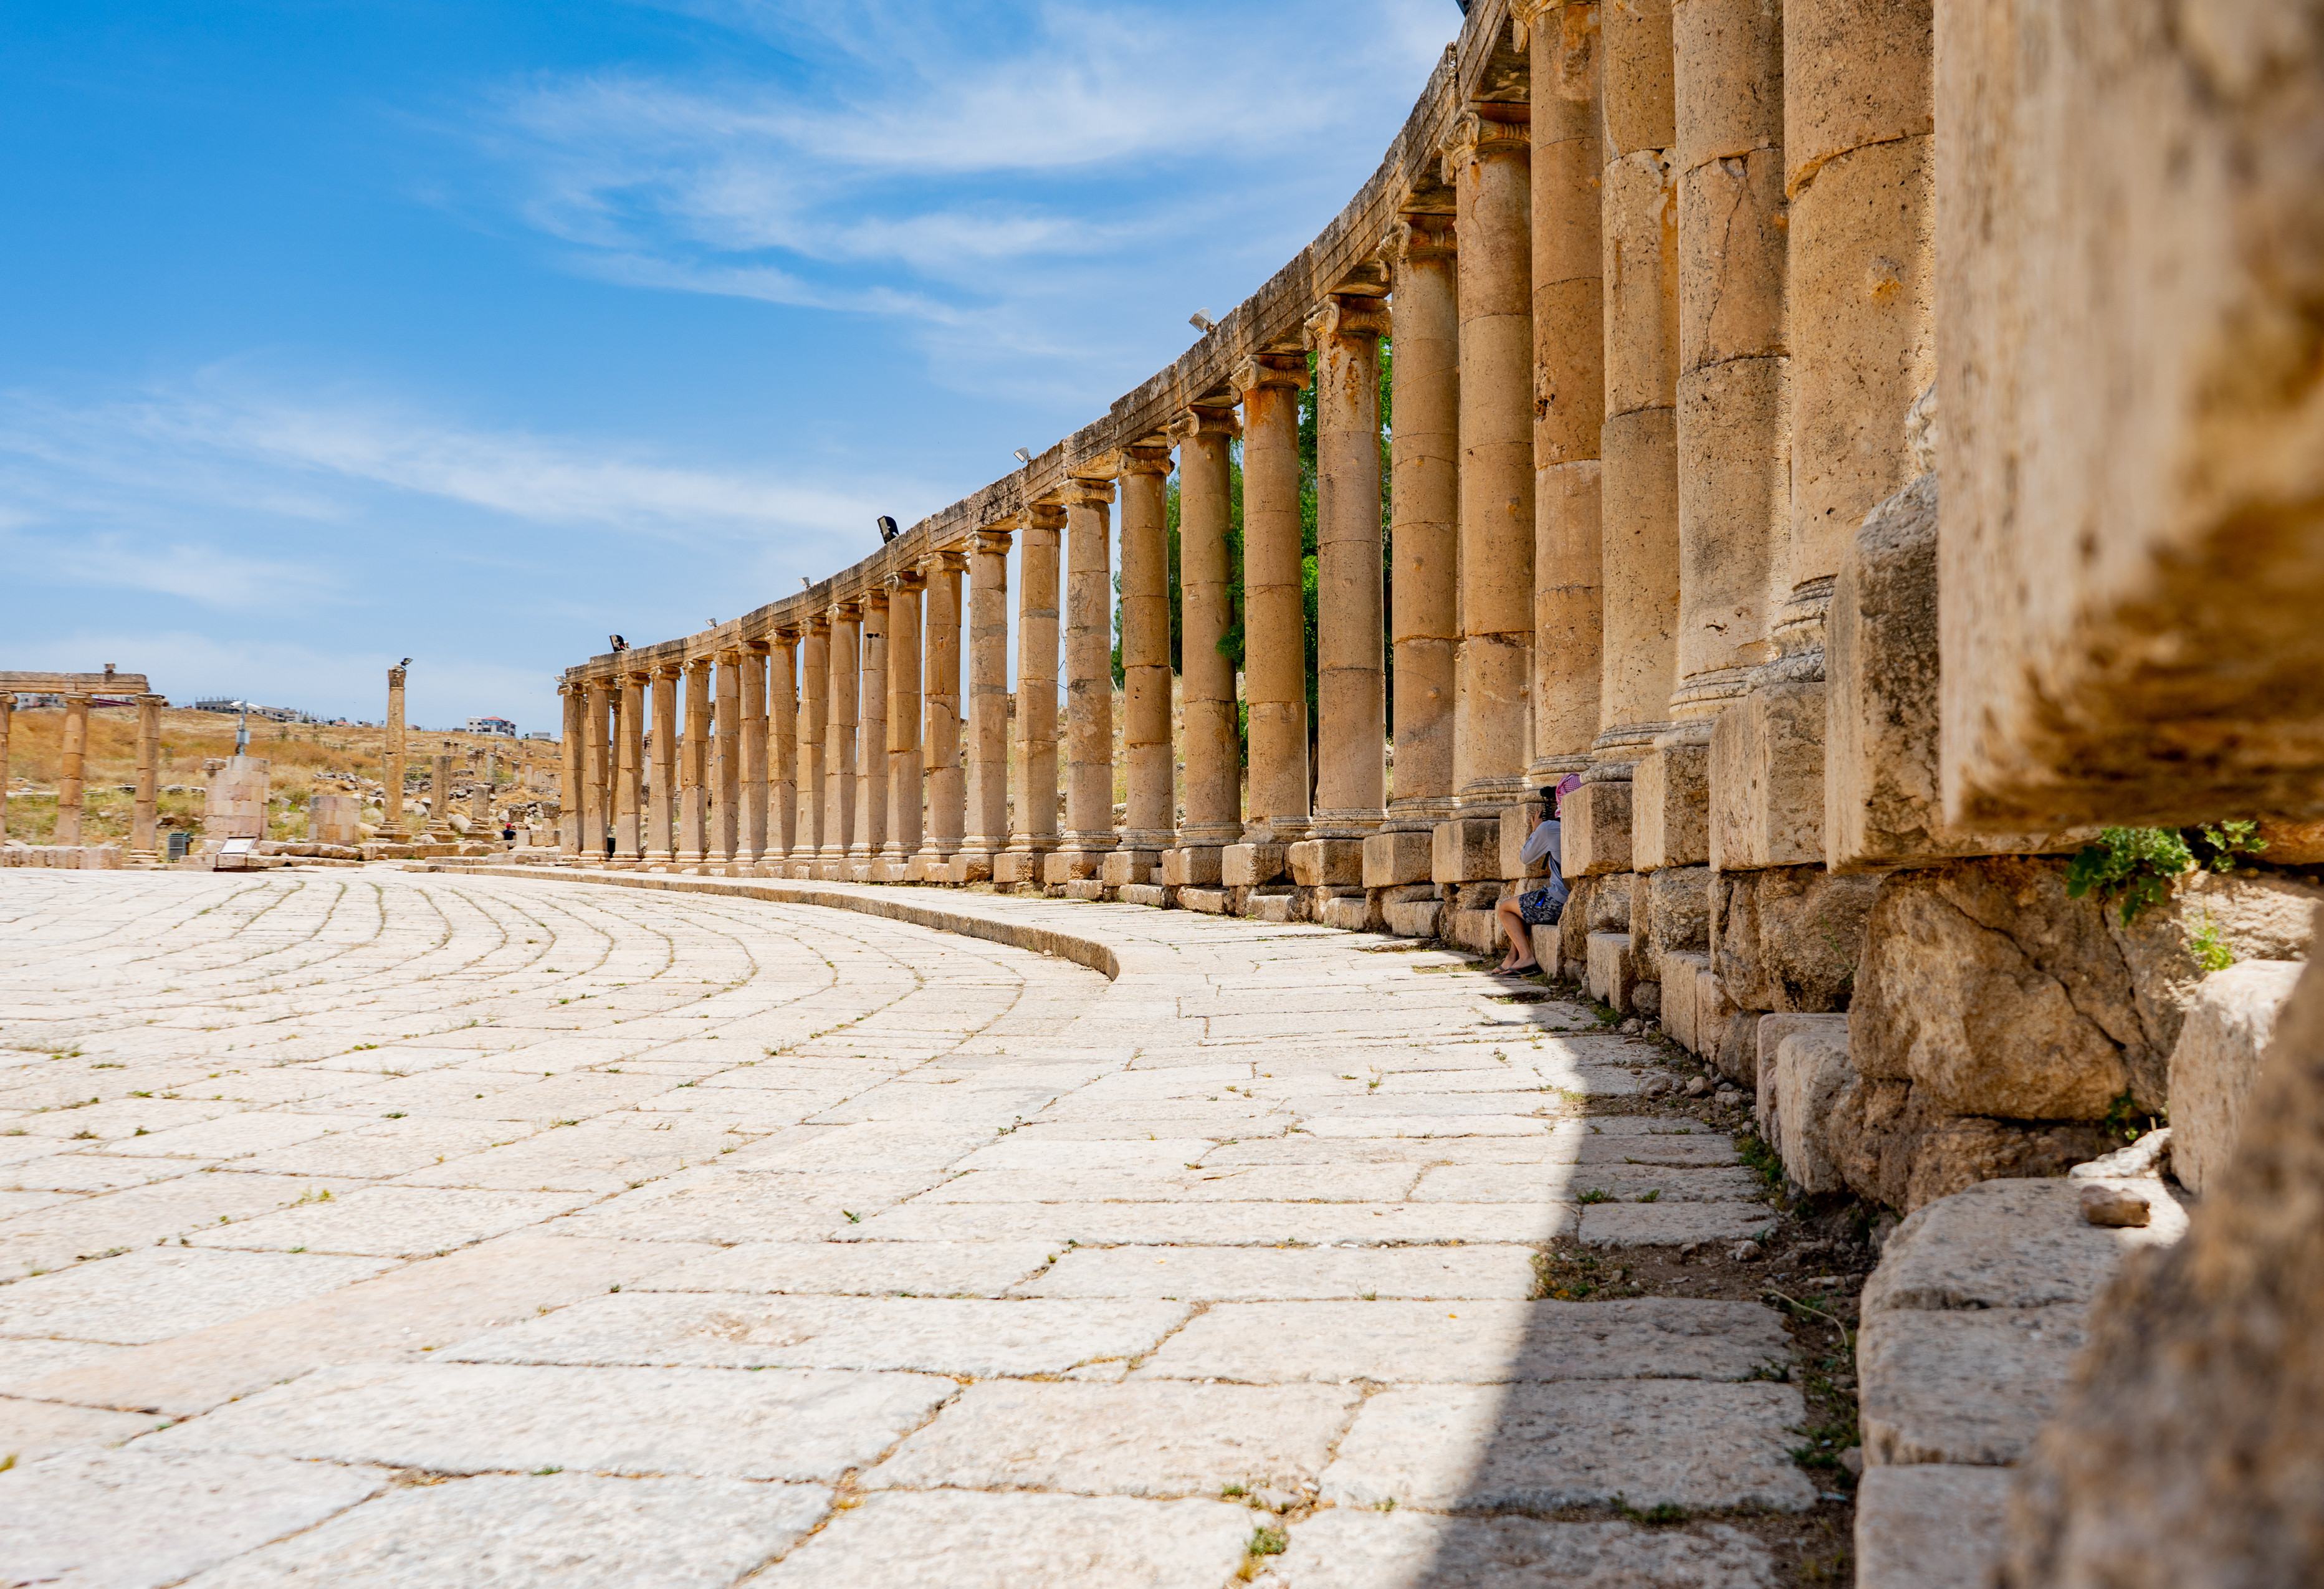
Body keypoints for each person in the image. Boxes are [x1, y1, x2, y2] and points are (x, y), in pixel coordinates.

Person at [1494, 774, 1579, 973]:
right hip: (1576, 902)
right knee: (1524, 908)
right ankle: (1511, 957)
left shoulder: (1551, 828)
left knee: (1506, 908)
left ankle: (1526, 957)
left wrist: (1537, 830)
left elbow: (1526, 858)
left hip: (1557, 902)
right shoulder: (1578, 824)